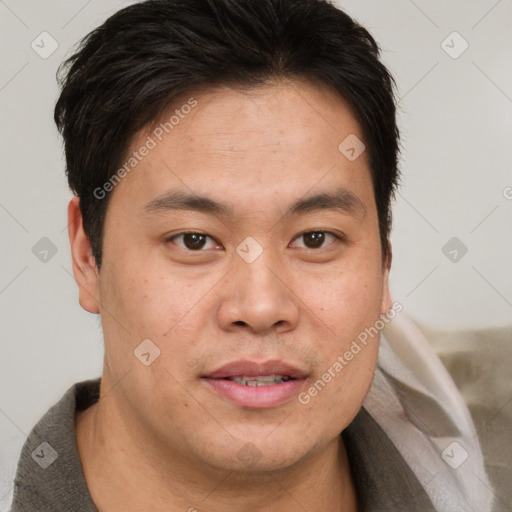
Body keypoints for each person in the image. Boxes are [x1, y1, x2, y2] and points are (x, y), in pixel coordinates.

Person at [10, 0, 493, 511]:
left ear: (384, 260)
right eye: (194, 240)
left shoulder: (486, 453)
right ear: (88, 257)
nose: (261, 308)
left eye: (315, 238)